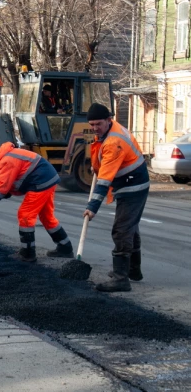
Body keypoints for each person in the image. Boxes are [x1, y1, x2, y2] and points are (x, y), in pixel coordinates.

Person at [83, 103, 150, 292]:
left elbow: (104, 180)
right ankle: (133, 271)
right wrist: (96, 166)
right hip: (129, 182)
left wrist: (93, 206)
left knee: (121, 229)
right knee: (130, 228)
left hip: (133, 185)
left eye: (98, 124)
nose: (95, 128)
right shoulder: (108, 132)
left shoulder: (114, 141)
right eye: (92, 124)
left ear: (108, 120)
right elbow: (101, 158)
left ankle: (121, 278)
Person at [0, 139, 73, 262]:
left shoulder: (6, 160)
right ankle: (65, 247)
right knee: (46, 216)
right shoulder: (6, 156)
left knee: (25, 215)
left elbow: (1, 187)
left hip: (40, 181)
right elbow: (11, 182)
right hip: (47, 179)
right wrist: (6, 192)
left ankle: (28, 254)